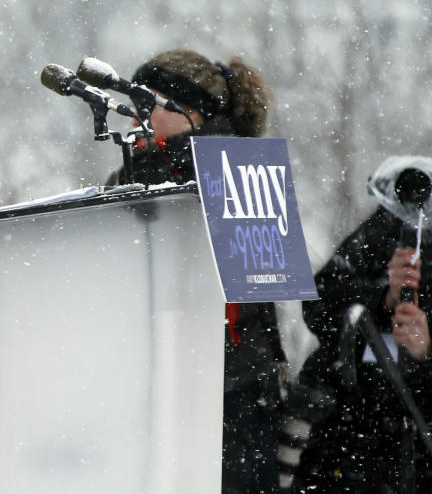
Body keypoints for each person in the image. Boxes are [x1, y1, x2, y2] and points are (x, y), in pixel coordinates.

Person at [105, 50, 284, 493]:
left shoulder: (235, 169)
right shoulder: (137, 169)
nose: (133, 114)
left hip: (228, 391)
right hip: (158, 378)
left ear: (189, 110)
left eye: (147, 101)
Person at [294, 157, 432, 492]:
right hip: (349, 431)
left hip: (418, 444)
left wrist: (426, 349)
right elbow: (319, 301)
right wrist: (383, 297)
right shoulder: (385, 229)